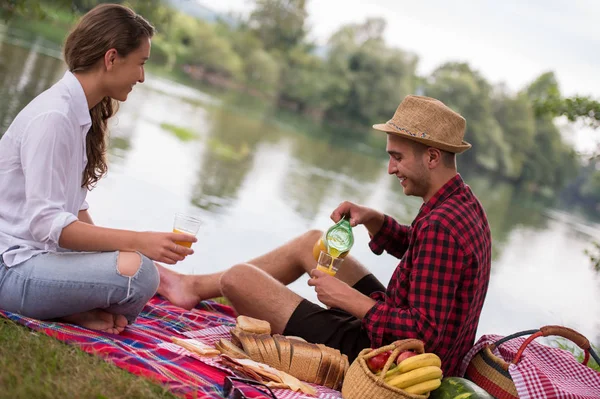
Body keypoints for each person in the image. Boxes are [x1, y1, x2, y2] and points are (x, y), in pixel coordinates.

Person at [159, 95, 492, 376]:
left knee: (238, 279)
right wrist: (375, 220)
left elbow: (424, 337)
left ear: (432, 156)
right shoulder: (460, 203)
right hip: (397, 331)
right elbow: (422, 253)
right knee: (313, 242)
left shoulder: (442, 227)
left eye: (398, 158)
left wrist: (347, 299)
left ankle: (203, 291)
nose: (391, 169)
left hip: (389, 361)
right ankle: (191, 287)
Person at [0, 4, 197, 334]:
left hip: (37, 260)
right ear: (111, 58)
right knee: (140, 273)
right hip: (10, 266)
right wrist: (138, 242)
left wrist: (124, 250)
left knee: (137, 267)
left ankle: (69, 307)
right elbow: (48, 224)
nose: (142, 77)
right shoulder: (54, 118)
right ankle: (68, 309)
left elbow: (74, 211)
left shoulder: (79, 114)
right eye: (140, 63)